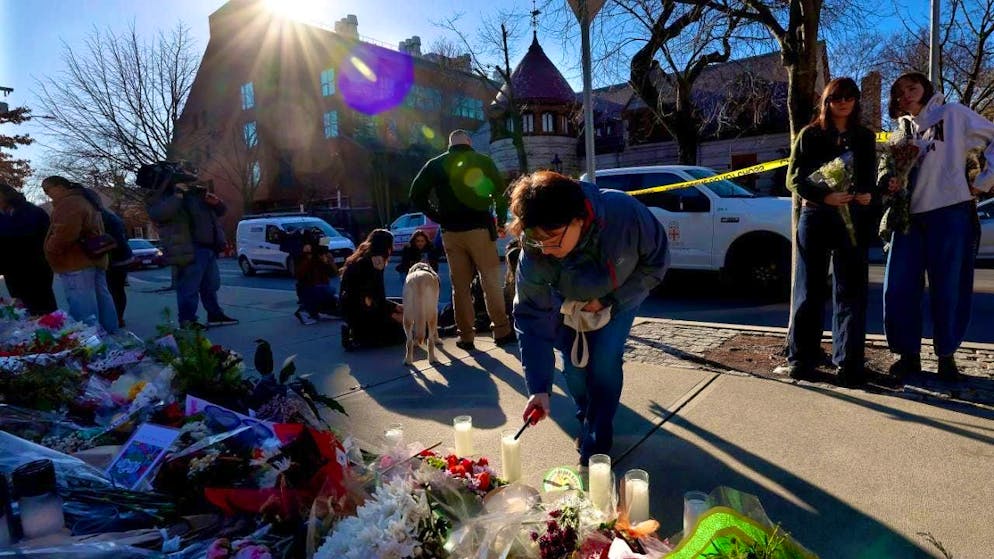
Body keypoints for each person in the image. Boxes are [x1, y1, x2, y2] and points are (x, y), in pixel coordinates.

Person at [512, 171, 669, 467]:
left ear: (579, 219)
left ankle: (598, 437)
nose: (547, 250)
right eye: (537, 240)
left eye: (553, 240)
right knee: (573, 369)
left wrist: (609, 300)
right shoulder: (535, 249)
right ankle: (586, 416)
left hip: (620, 298)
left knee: (605, 361)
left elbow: (657, 263)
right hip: (568, 304)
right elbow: (531, 316)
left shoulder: (625, 215)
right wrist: (538, 389)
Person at [880, 72, 994, 381]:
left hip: (950, 212)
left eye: (912, 87)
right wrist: (890, 181)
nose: (906, 94)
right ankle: (908, 355)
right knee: (899, 288)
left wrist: (984, 182)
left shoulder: (953, 113)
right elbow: (888, 171)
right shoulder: (899, 133)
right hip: (908, 218)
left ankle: (947, 356)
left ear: (925, 88)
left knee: (949, 288)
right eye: (899, 92)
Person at [779, 77, 878, 386]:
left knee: (850, 291)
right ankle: (801, 357)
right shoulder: (810, 134)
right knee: (810, 289)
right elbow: (793, 178)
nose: (843, 103)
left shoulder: (864, 137)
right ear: (827, 102)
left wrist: (867, 194)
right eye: (836, 98)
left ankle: (848, 361)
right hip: (817, 216)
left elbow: (869, 176)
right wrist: (824, 196)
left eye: (849, 97)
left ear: (856, 101)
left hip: (852, 219)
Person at [410, 129, 515, 351]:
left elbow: (416, 194)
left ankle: (466, 336)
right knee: (490, 282)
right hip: (479, 230)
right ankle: (502, 331)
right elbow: (499, 194)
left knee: (460, 286)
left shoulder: (435, 165)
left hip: (451, 232)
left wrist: (439, 216)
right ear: (468, 141)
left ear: (450, 143)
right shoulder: (482, 161)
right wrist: (501, 223)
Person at [146, 176, 238, 329]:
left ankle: (215, 314)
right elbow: (158, 213)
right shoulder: (164, 194)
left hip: (208, 246)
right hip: (188, 248)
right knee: (189, 287)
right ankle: (187, 320)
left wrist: (217, 204)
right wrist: (177, 195)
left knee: (211, 285)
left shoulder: (197, 193)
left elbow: (220, 212)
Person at [40, 176, 118, 333]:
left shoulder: (70, 203)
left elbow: (65, 232)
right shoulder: (85, 199)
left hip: (75, 261)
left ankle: (90, 342)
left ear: (60, 186)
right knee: (102, 300)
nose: (47, 193)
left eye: (47, 189)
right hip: (92, 258)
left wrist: (51, 249)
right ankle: (110, 336)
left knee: (83, 307)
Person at [339, 229, 405, 350]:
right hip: (361, 310)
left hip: (350, 307)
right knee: (403, 332)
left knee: (399, 303)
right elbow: (374, 299)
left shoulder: (360, 258)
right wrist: (394, 312)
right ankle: (361, 337)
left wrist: (394, 306)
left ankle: (356, 332)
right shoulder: (375, 262)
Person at [0, 182, 57, 315]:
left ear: (7, 196)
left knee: (43, 304)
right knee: (22, 307)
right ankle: (32, 333)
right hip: (12, 270)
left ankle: (54, 331)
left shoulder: (31, 211)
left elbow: (39, 237)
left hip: (36, 267)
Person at [81, 188, 134, 328]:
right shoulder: (106, 215)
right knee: (115, 290)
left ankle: (117, 318)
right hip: (119, 257)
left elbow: (117, 241)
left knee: (114, 290)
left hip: (116, 259)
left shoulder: (102, 217)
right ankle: (117, 318)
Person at [294, 239, 340, 325]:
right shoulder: (305, 260)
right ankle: (305, 311)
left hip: (321, 289)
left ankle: (323, 311)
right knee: (324, 290)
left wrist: (329, 261)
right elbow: (299, 275)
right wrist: (309, 257)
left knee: (332, 293)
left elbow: (334, 273)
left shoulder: (323, 260)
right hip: (308, 290)